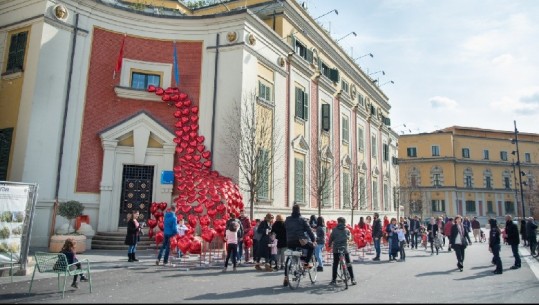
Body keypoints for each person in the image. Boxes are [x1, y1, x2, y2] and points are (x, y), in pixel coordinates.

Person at [282, 204, 316, 287]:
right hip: (300, 240)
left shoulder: (287, 219)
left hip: (290, 241)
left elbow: (285, 228)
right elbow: (309, 231)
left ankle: (286, 277)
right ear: (299, 210)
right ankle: (306, 263)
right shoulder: (302, 219)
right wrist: (313, 240)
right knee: (311, 247)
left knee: (290, 255)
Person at [328, 217, 356, 286]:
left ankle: (334, 280)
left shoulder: (334, 230)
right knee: (348, 263)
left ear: (338, 222)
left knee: (335, 264)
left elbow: (331, 238)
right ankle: (353, 279)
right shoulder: (347, 229)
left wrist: (329, 244)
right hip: (344, 248)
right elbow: (349, 238)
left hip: (336, 249)